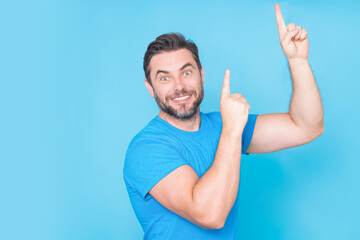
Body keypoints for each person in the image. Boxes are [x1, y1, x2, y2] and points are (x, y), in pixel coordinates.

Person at [123, 4, 324, 239]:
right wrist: (231, 131)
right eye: (164, 77)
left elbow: (306, 127)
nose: (178, 86)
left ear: (202, 74)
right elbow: (210, 214)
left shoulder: (224, 123)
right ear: (150, 88)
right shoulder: (146, 148)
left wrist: (298, 61)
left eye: (186, 72)